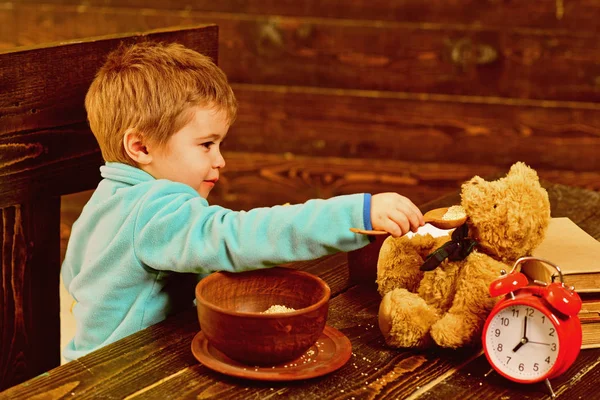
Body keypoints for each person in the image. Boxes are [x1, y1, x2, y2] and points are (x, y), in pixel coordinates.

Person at [61, 41, 424, 361]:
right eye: (206, 144)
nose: (220, 160)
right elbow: (235, 236)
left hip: (84, 362)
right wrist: (353, 213)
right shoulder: (154, 206)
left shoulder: (105, 201)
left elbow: (75, 280)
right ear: (141, 147)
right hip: (125, 375)